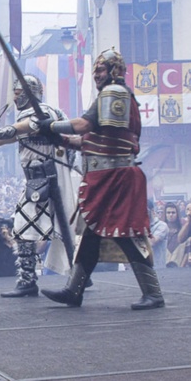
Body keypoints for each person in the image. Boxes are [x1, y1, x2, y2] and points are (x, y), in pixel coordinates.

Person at [37, 48, 165, 310]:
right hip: (106, 176)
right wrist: (59, 138)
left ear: (116, 71)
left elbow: (84, 125)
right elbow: (88, 140)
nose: (97, 75)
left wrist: (52, 125)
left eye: (101, 70)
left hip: (116, 178)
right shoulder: (108, 97)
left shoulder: (114, 92)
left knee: (125, 232)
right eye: (95, 71)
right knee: (91, 234)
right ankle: (74, 290)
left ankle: (153, 293)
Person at [0, 74, 76, 297]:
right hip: (38, 181)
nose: (15, 98)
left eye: (19, 93)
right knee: (56, 230)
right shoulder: (36, 115)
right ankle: (77, 277)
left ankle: (32, 280)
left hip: (45, 180)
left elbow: (15, 130)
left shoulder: (43, 113)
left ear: (30, 94)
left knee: (24, 228)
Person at [164, 202, 188, 267]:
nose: (171, 215)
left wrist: (181, 268)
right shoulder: (162, 231)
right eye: (168, 213)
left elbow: (187, 252)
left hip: (179, 268)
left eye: (173, 212)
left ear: (177, 214)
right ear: (165, 214)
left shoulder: (183, 232)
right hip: (162, 269)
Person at [147, 199, 168, 269]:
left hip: (157, 268)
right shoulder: (136, 227)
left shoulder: (161, 226)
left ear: (152, 211)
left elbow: (152, 242)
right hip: (142, 269)